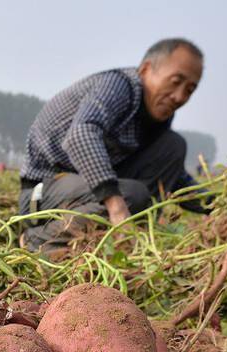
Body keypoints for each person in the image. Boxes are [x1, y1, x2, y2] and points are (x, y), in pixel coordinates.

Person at [18, 38, 208, 251]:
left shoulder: (157, 116)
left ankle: (125, 244)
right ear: (146, 69)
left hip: (85, 191)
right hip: (42, 192)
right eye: (175, 81)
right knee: (132, 196)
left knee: (173, 146)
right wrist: (116, 205)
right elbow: (81, 135)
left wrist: (219, 203)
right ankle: (37, 240)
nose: (179, 96)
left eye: (189, 90)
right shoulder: (117, 86)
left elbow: (175, 178)